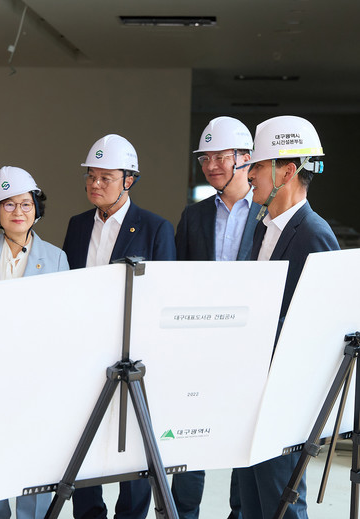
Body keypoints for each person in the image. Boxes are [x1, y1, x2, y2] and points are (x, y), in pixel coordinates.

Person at [62, 134, 176, 519]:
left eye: (105, 178)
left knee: (133, 444)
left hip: (134, 352)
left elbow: (162, 297)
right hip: (85, 350)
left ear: (129, 180)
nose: (95, 184)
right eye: (91, 176)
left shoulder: (155, 228)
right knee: (84, 440)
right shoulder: (78, 225)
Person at [237, 115, 339, 519]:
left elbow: (324, 328)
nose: (250, 175)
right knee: (251, 505)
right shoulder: (262, 228)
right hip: (253, 390)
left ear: (287, 171)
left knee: (282, 506)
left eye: (258, 166)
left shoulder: (314, 234)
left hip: (285, 399)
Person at [0, 166, 68, 519]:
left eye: (25, 203)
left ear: (36, 207)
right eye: (8, 205)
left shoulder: (56, 258)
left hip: (36, 376)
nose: (18, 212)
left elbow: (64, 324)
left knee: (34, 460)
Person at [173, 116, 261, 519]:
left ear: (245, 158)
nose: (211, 166)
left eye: (220, 157)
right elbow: (178, 278)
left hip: (249, 345)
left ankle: (240, 513)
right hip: (199, 347)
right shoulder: (193, 216)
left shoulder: (266, 214)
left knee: (244, 437)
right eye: (205, 158)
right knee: (189, 436)